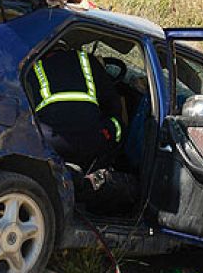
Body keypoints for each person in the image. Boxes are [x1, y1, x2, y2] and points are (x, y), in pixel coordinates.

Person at [28, 46, 137, 212]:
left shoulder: (32, 67)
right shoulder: (88, 61)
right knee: (117, 127)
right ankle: (96, 185)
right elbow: (114, 106)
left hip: (49, 143)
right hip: (90, 142)